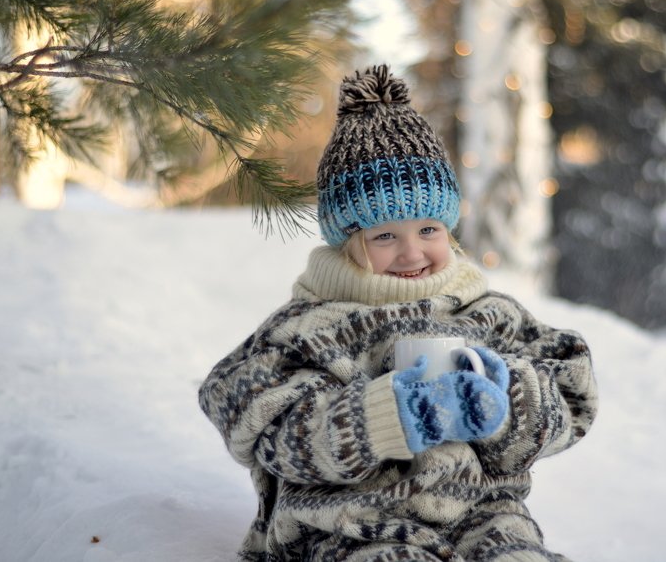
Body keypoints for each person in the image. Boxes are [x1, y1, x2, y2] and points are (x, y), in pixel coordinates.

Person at [199, 64, 598, 561]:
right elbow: (252, 420)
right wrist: (386, 416)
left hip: (484, 514)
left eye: (428, 230)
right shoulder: (311, 328)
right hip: (348, 524)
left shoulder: (488, 315)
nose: (412, 253)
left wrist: (509, 397)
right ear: (347, 240)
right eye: (385, 235)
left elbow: (572, 392)